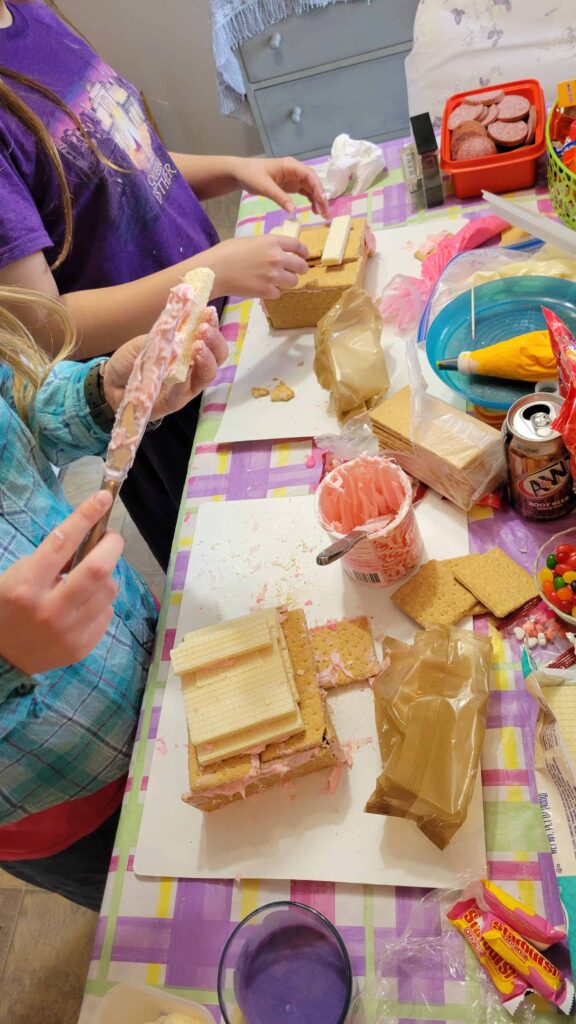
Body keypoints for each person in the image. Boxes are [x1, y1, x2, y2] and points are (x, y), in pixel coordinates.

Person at [0, 0, 329, 569]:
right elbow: (45, 328)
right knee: (247, 560)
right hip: (156, 388)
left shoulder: (27, 11)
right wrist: (213, 269)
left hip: (214, 329)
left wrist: (231, 168)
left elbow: (110, 160)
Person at [0, 285, 227, 910]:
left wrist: (102, 396)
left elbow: (16, 407)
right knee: (178, 911)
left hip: (144, 665)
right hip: (66, 799)